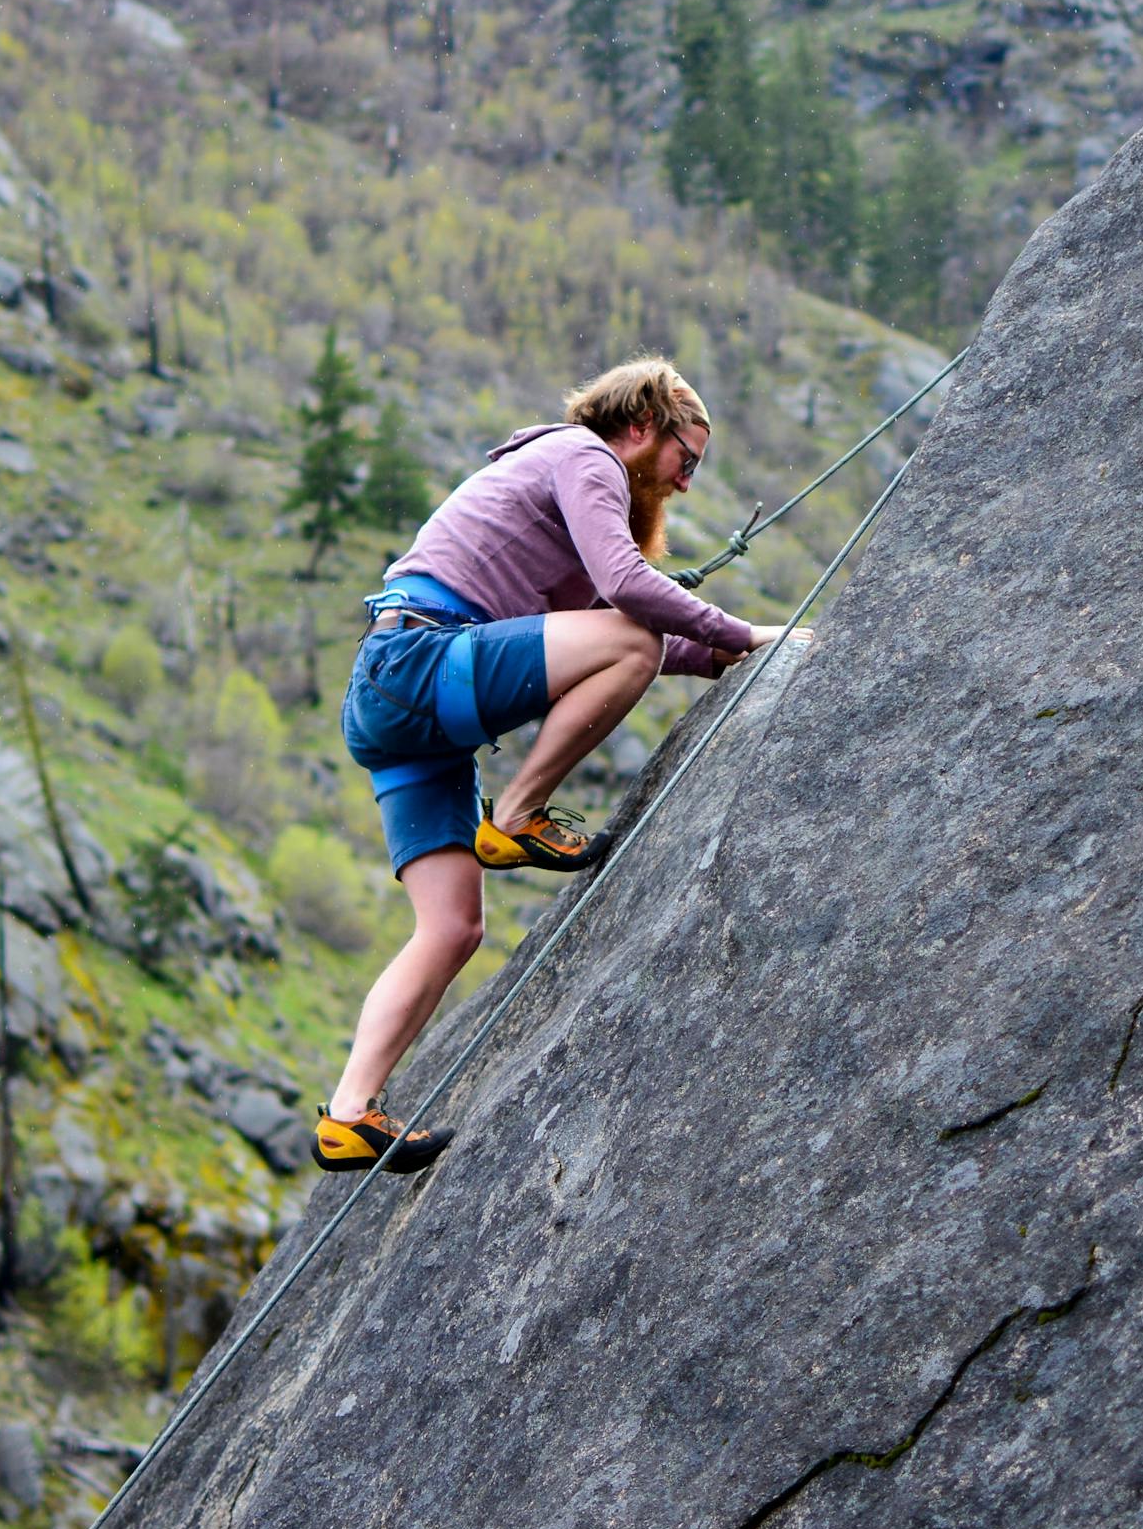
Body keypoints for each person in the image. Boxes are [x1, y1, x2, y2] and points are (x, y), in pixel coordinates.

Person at [315, 357, 790, 1174]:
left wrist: (721, 654)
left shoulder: (557, 486)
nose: (684, 483)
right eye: (688, 458)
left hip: (397, 706)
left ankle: (349, 1113)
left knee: (452, 927)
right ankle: (518, 814)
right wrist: (742, 632)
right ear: (642, 427)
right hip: (422, 664)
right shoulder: (586, 458)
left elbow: (601, 624)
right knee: (630, 638)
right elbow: (625, 600)